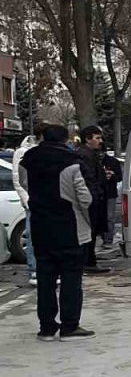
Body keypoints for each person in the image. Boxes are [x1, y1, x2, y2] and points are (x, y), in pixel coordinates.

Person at [22, 124, 94, 342]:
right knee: (71, 277)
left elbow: (26, 185)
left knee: (46, 279)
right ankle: (69, 326)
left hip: (41, 226)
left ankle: (46, 327)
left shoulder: (28, 161)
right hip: (69, 227)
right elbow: (85, 198)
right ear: (65, 140)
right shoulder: (71, 162)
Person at [12, 125, 44, 286]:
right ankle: (34, 270)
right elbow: (18, 180)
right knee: (32, 236)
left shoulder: (44, 151)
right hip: (32, 201)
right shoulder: (22, 152)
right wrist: (27, 201)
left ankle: (46, 270)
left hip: (45, 200)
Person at [76, 126, 110, 274]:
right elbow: (88, 178)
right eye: (97, 138)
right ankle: (87, 262)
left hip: (95, 197)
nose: (100, 141)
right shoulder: (84, 155)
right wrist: (96, 194)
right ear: (88, 139)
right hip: (91, 200)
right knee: (89, 231)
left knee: (93, 231)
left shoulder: (91, 154)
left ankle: (89, 260)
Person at [101, 150, 122, 251]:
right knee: (101, 217)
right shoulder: (93, 161)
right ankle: (103, 238)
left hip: (110, 193)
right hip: (98, 193)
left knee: (109, 217)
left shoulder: (113, 162)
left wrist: (112, 176)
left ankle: (108, 239)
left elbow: (119, 177)